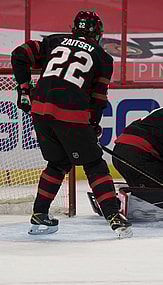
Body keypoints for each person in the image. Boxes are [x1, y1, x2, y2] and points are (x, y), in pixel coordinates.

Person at [11, 10, 132, 238]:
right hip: (71, 114)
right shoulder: (103, 58)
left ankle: (39, 214)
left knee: (57, 163)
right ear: (98, 33)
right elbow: (98, 98)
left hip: (41, 110)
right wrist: (93, 123)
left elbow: (19, 54)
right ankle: (114, 217)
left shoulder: (53, 41)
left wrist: (24, 89)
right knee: (95, 164)